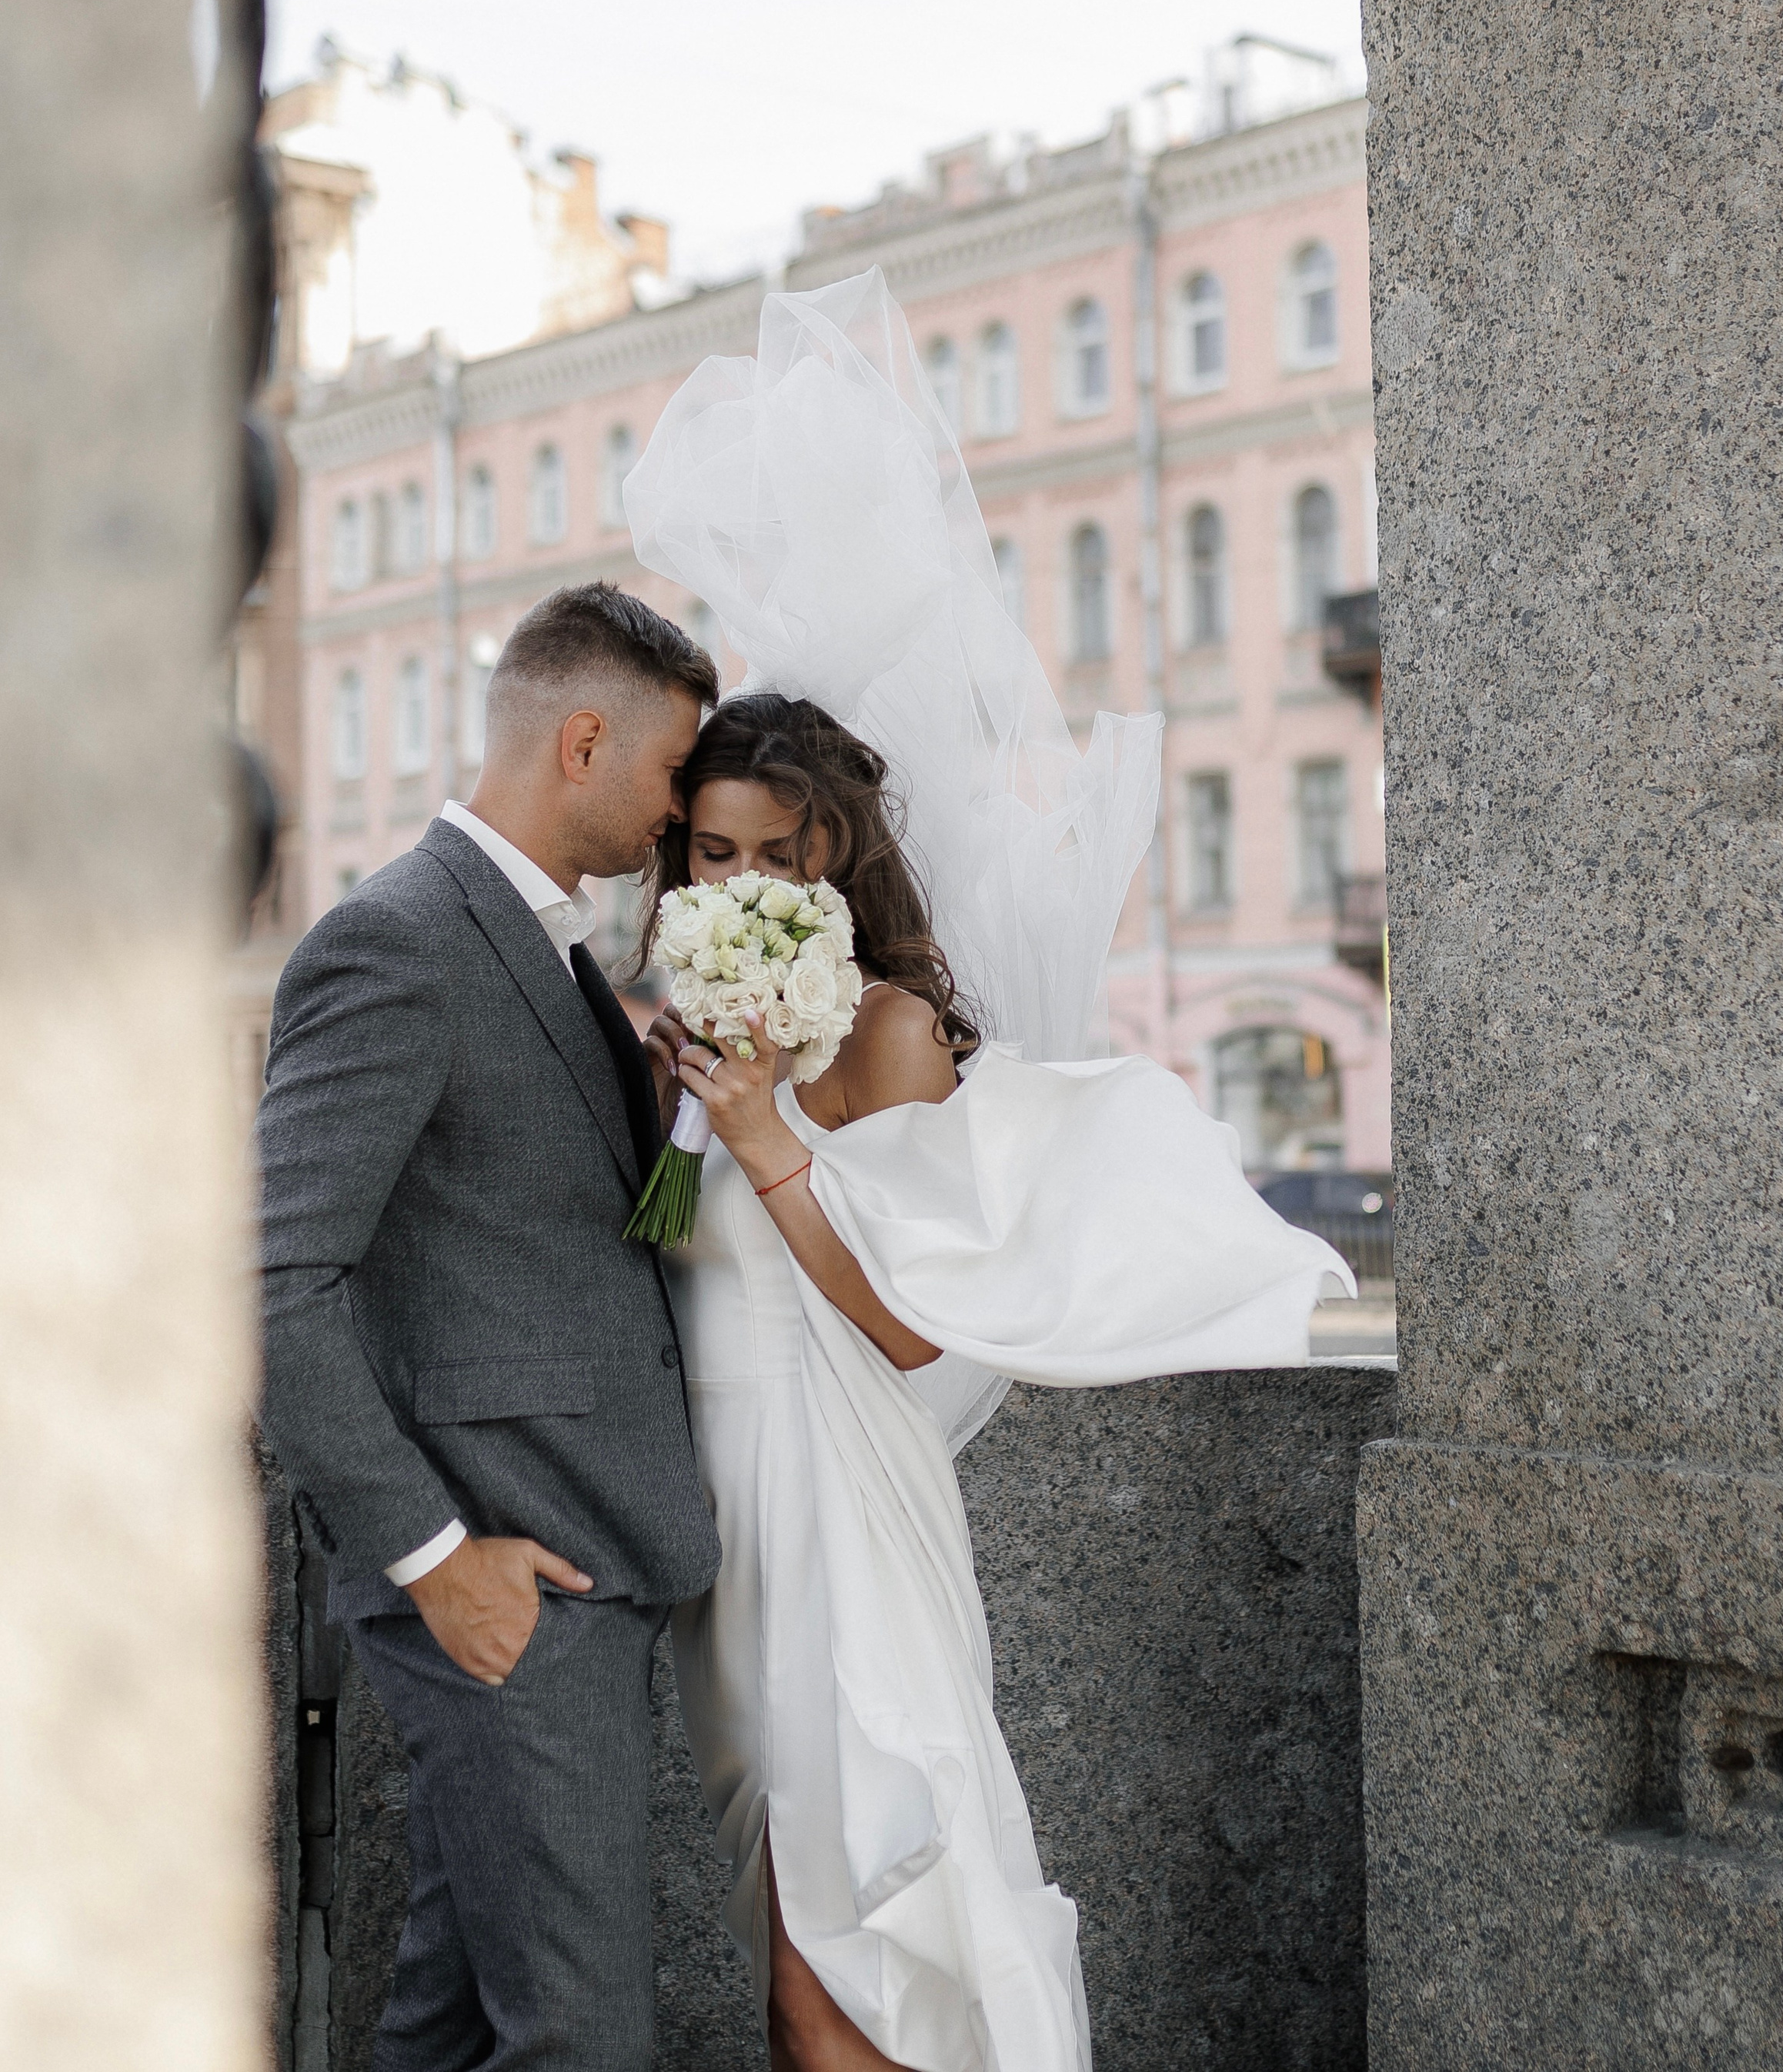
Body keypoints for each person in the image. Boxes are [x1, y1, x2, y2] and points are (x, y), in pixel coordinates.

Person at [624, 275, 1354, 2071]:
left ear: (833, 855)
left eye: (767, 854)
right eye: (703, 852)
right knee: (781, 1927)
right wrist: (685, 1124)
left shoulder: (877, 1025)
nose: (727, 889)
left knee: (856, 1934)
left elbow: (900, 1327)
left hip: (837, 1500)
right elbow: (671, 1236)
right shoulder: (700, 1005)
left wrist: (768, 1137)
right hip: (723, 1503)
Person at [255, 581, 723, 2072]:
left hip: (577, 1553)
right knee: (581, 2038)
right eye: (668, 774)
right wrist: (434, 1558)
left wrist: (697, 1115)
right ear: (583, 739)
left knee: (446, 2027)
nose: (674, 812)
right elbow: (270, 1280)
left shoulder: (561, 958)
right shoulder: (397, 938)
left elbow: (601, 1241)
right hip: (509, 1576)